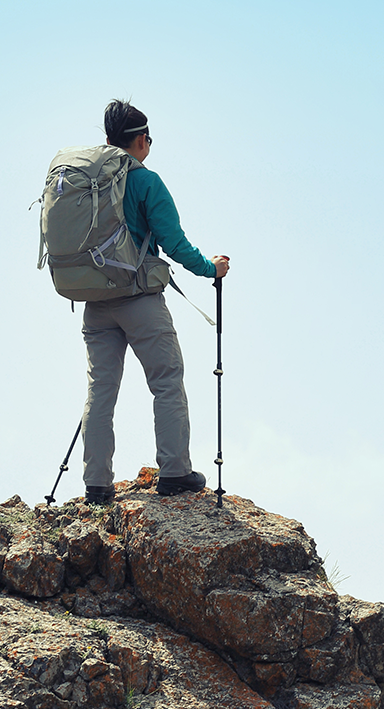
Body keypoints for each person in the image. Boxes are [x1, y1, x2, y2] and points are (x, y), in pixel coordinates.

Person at [81, 99, 229, 504]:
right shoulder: (146, 182)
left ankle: (96, 485)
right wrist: (209, 269)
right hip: (139, 299)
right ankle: (175, 472)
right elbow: (174, 243)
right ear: (141, 140)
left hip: (95, 300)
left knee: (101, 390)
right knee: (166, 381)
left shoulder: (90, 180)